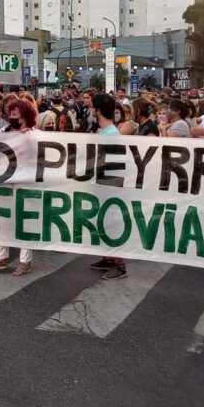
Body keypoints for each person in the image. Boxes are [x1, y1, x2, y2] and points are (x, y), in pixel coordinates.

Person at [0, 99, 39, 276]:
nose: (12, 117)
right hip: (6, 181)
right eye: (10, 114)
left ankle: (25, 261)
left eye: (15, 114)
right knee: (1, 220)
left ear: (25, 115)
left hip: (25, 183)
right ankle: (0, 257)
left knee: (24, 223)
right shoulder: (5, 131)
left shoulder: (36, 133)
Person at [87, 93, 126, 280]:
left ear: (98, 110)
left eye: (92, 106)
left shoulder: (111, 134)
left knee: (113, 224)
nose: (89, 109)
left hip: (110, 184)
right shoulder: (103, 132)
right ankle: (109, 258)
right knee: (104, 222)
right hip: (102, 183)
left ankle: (119, 265)